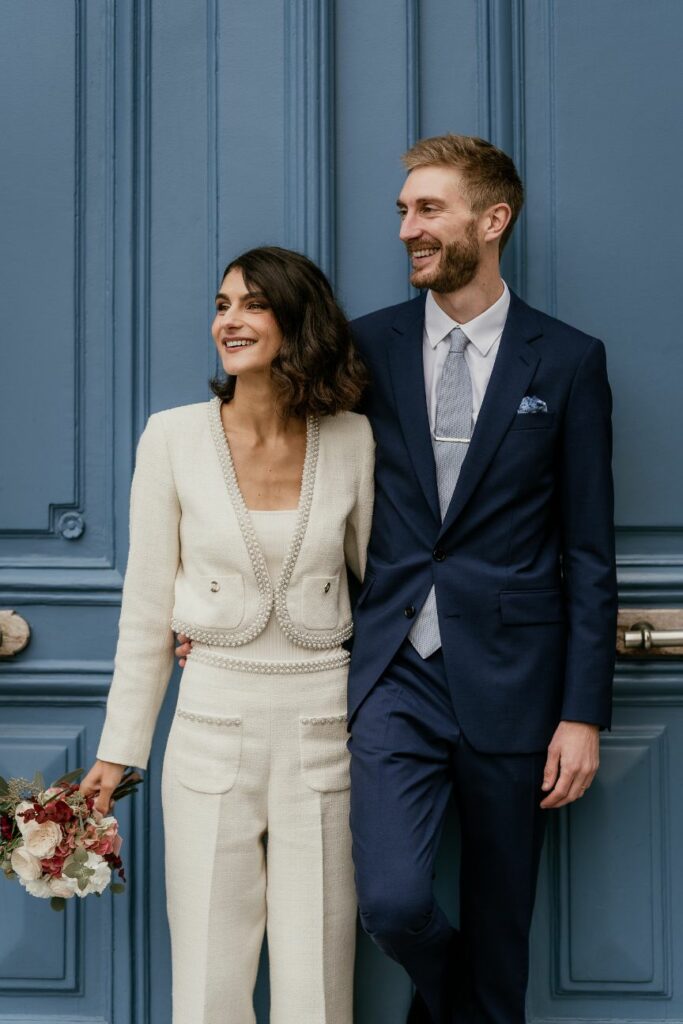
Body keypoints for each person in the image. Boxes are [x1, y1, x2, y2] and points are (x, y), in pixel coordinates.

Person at [345, 135, 617, 1023]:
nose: (406, 230)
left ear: (491, 220)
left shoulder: (568, 360)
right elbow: (296, 484)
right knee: (390, 902)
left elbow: (586, 549)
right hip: (395, 675)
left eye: (428, 210)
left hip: (515, 684)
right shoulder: (364, 350)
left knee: (501, 942)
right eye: (402, 211)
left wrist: (580, 712)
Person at [81, 246, 374, 1024]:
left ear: (297, 321)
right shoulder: (172, 438)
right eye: (221, 305)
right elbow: (146, 607)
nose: (229, 322)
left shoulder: (351, 440)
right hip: (209, 727)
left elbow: (388, 594)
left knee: (319, 978)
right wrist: (119, 750)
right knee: (210, 976)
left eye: (252, 305)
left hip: (324, 730)